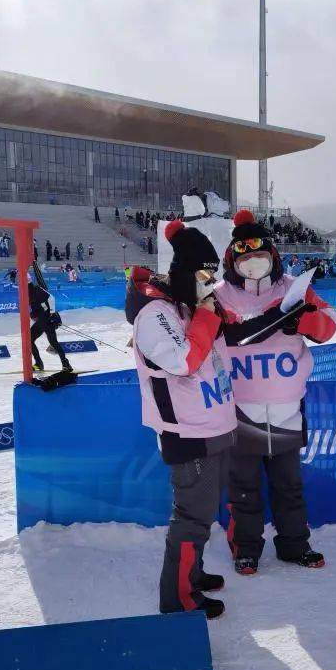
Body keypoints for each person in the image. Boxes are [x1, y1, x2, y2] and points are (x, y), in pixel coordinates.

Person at [214, 210, 336, 575]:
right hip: (239, 410)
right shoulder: (220, 295)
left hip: (286, 407)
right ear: (232, 260)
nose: (253, 264)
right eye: (245, 257)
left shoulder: (294, 288)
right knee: (242, 488)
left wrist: (306, 318)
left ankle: (294, 544)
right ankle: (246, 548)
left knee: (289, 485)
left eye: (260, 256)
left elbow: (330, 323)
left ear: (272, 256)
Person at [126, 219, 235, 620]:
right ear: (186, 272)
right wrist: (207, 318)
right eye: (205, 274)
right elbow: (184, 362)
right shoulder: (155, 314)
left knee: (204, 514)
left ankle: (194, 572)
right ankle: (179, 597)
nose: (212, 282)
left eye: (214, 274)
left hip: (213, 424)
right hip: (187, 432)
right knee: (192, 515)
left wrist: (216, 318)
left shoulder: (186, 305)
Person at [28, 275, 72, 373]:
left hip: (48, 320)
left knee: (53, 343)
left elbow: (51, 298)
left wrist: (52, 313)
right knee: (29, 339)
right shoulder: (26, 292)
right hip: (41, 321)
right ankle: (39, 364)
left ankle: (66, 365)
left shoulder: (36, 290)